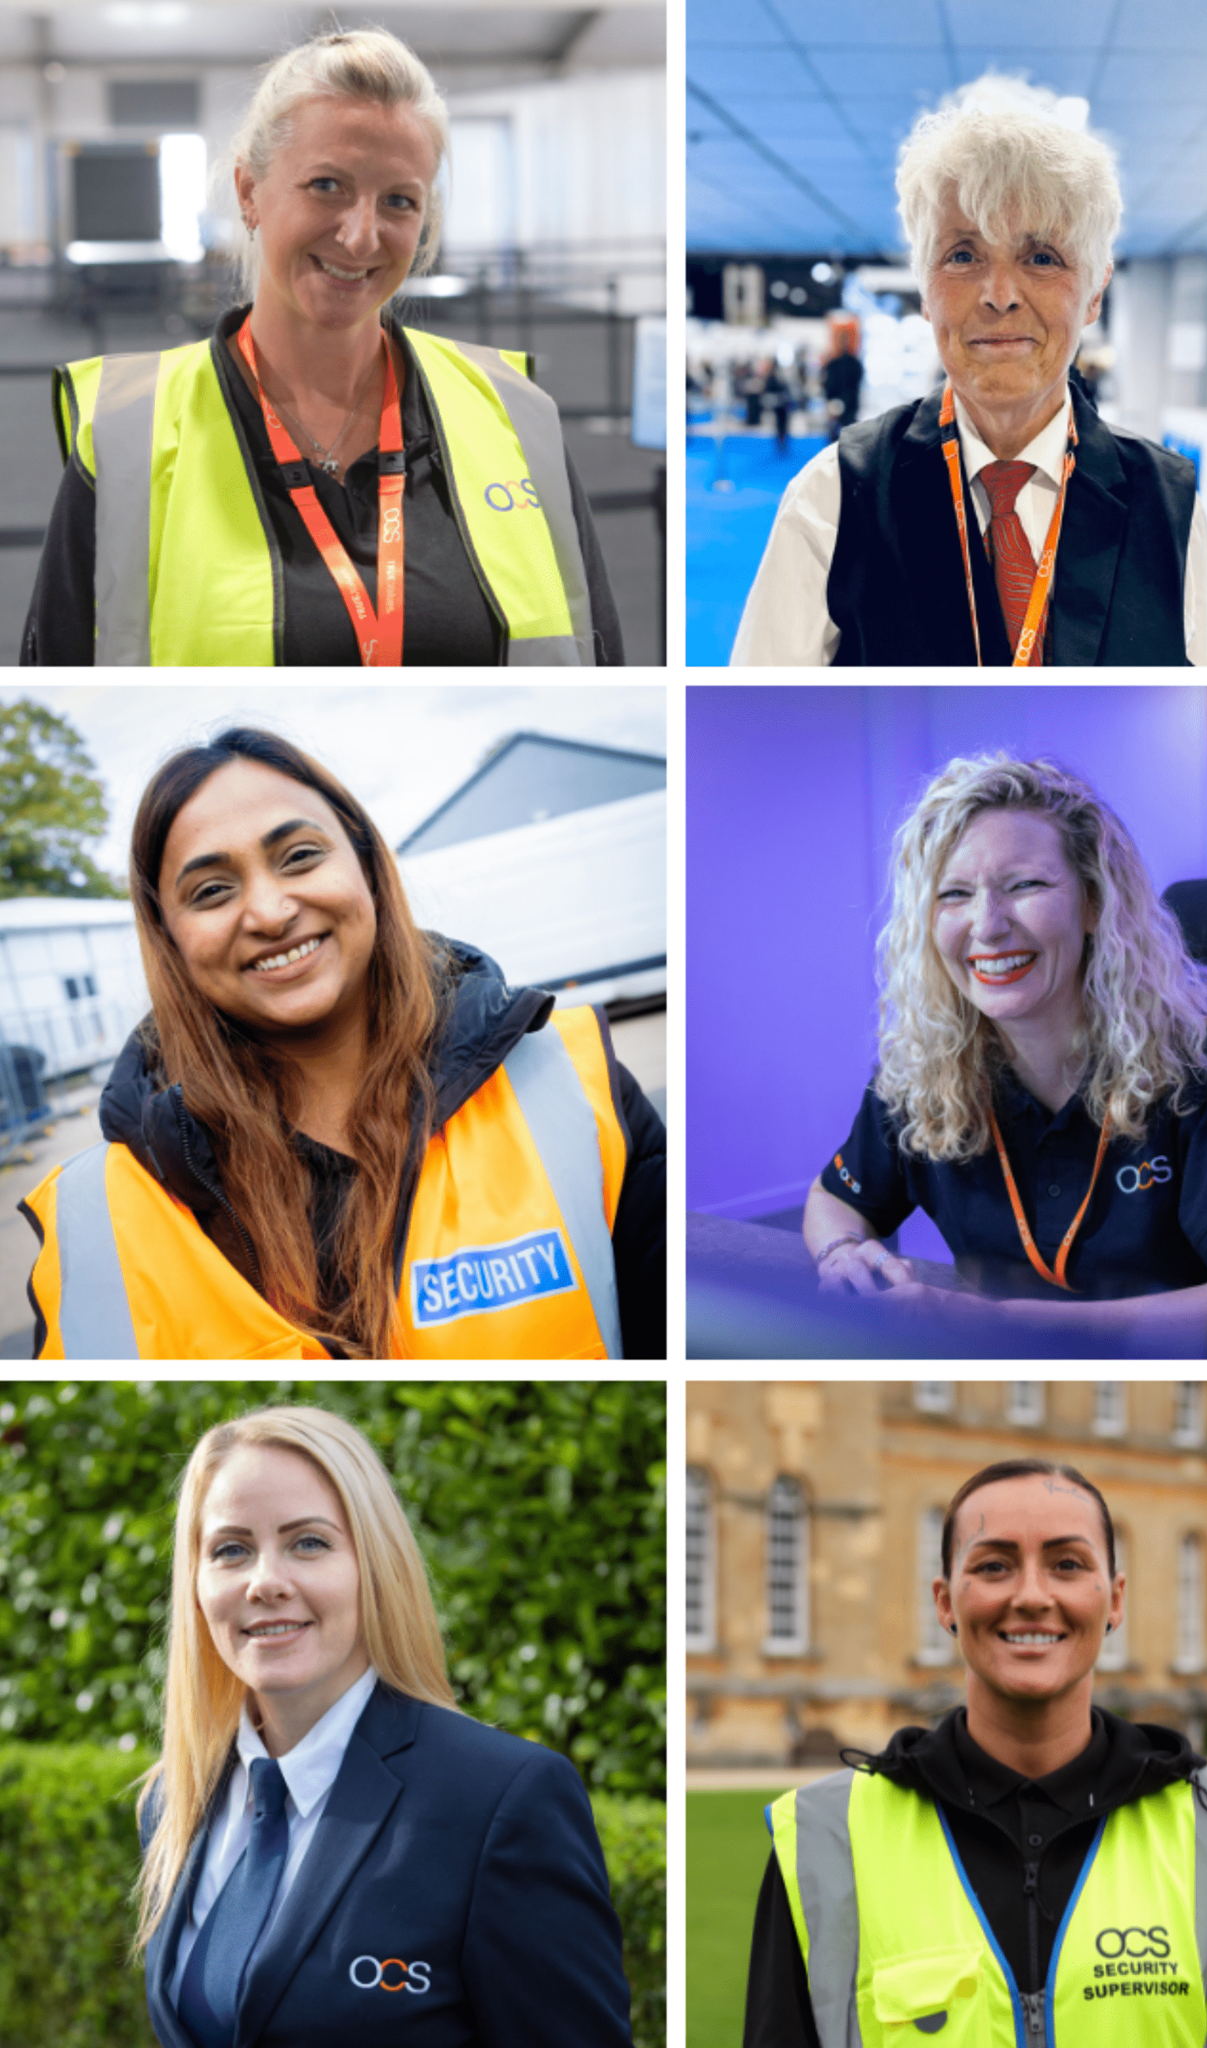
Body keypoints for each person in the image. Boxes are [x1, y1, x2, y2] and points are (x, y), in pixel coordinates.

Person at [19, 726, 664, 1358]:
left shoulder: (576, 1089)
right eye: (212, 891)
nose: (270, 913)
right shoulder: (96, 1218)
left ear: (367, 866)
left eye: (299, 856)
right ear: (169, 937)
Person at [23, 27, 624, 666]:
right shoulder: (128, 433)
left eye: (398, 200)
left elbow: (601, 659)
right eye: (327, 186)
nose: (362, 237)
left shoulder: (514, 416)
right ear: (250, 193)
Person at [747, 1457, 1207, 2045]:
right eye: (994, 1566)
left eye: (1067, 1564)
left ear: (1114, 1600)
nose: (1032, 1596)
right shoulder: (822, 1838)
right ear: (945, 1603)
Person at [137, 1403, 632, 2046]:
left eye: (307, 1542)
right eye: (231, 1550)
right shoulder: (173, 1802)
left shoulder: (503, 1801)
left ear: (374, 1564)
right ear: (197, 1583)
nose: (265, 1582)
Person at [802, 754, 1207, 1358]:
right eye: (955, 895)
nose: (987, 926)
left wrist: (1004, 1323)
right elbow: (833, 1198)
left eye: (1025, 886)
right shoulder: (924, 1062)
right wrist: (843, 1253)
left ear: (1094, 903)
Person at [731, 75, 1207, 666]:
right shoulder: (834, 496)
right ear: (925, 290)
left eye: (1041, 257)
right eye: (963, 256)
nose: (999, 295)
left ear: (1095, 294)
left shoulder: (1166, 502)